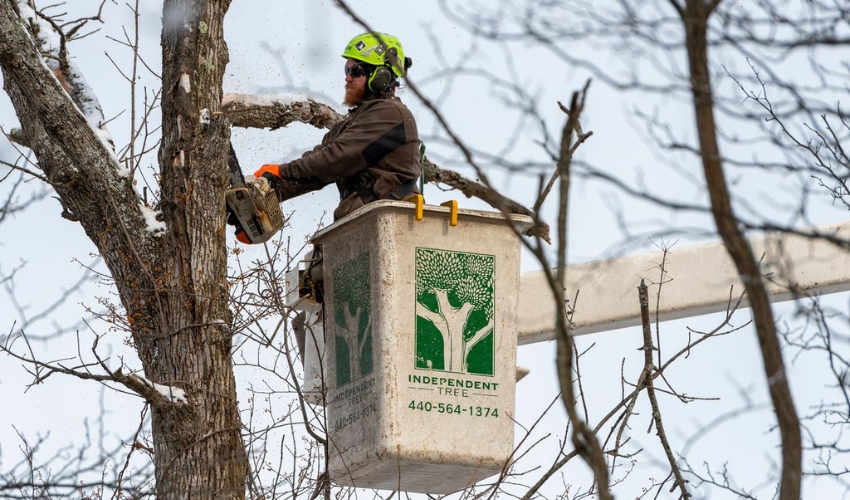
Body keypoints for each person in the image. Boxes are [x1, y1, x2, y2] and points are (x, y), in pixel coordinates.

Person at [250, 32, 422, 226]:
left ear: (380, 76)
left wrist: (283, 171)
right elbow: (318, 163)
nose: (348, 78)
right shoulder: (354, 122)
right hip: (358, 227)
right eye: (346, 70)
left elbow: (335, 159)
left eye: (356, 71)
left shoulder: (391, 113)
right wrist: (266, 192)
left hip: (387, 225)